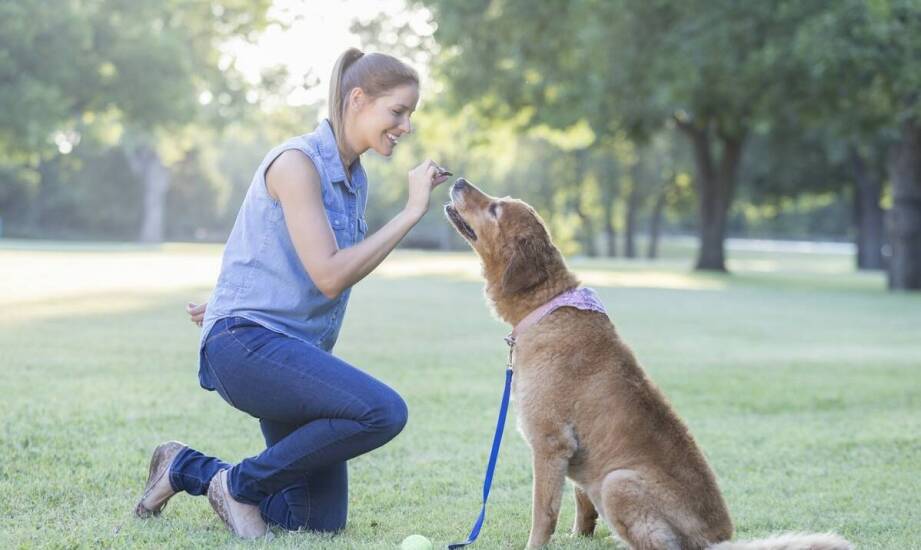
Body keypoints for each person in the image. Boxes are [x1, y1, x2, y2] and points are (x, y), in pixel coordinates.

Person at [134, 48, 450, 539]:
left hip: (285, 350)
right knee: (383, 411)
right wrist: (410, 213)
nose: (406, 126)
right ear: (358, 99)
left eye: (410, 115)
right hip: (247, 346)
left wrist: (230, 297)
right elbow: (328, 274)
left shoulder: (353, 181)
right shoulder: (296, 163)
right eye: (398, 111)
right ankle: (239, 487)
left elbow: (281, 253)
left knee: (314, 522)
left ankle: (185, 468)